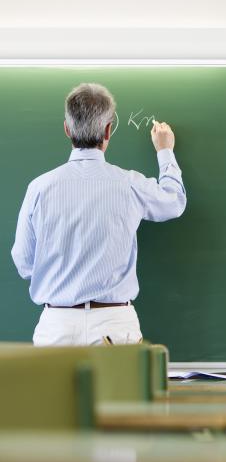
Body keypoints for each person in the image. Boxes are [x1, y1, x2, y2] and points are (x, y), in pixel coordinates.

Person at [11, 83, 186, 346]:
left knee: (52, 390)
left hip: (56, 326)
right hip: (115, 326)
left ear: (67, 129)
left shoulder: (39, 188)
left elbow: (24, 263)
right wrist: (165, 151)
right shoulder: (129, 184)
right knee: (122, 390)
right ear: (108, 130)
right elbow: (174, 201)